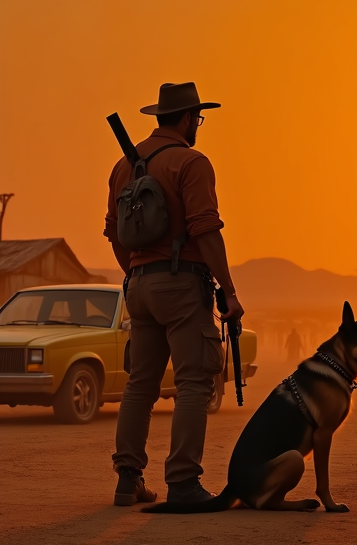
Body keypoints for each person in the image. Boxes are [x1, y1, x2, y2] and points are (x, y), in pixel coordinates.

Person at [106, 82, 242, 506]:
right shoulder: (191, 161)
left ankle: (128, 480)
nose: (197, 125)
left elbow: (114, 233)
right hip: (182, 283)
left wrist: (136, 273)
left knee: (140, 386)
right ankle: (183, 482)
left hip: (138, 284)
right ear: (187, 118)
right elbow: (205, 228)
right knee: (194, 383)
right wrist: (231, 291)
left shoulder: (123, 166)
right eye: (197, 118)